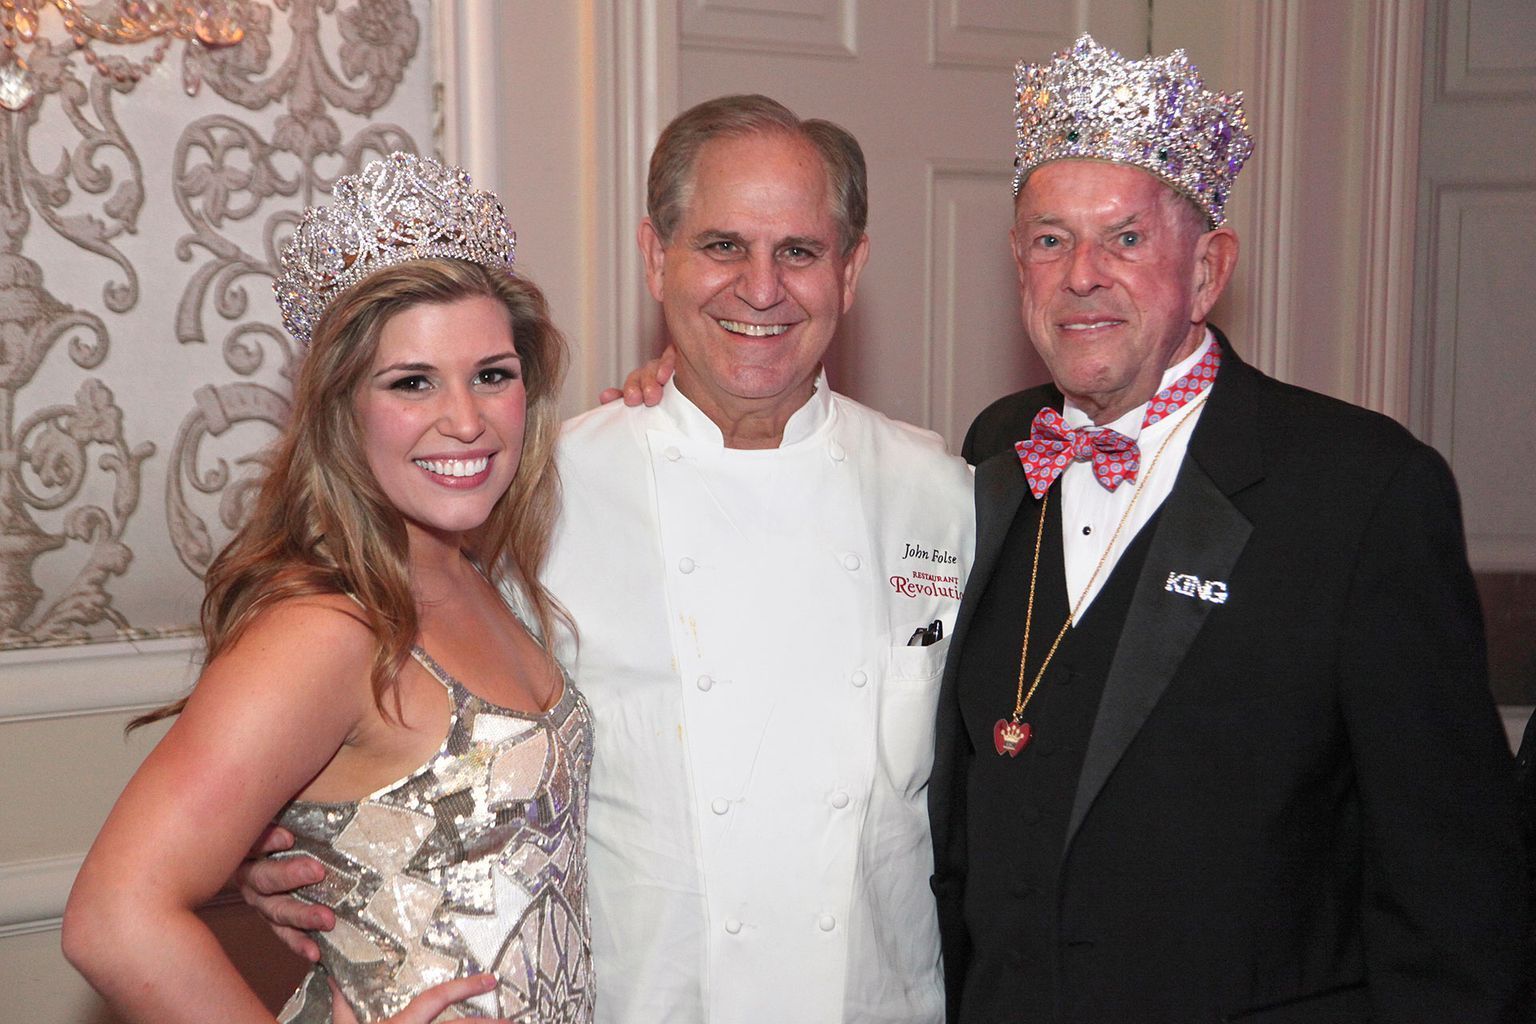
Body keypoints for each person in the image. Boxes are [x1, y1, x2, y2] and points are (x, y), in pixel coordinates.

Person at [244, 95, 974, 1024]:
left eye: (799, 251)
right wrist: (281, 839)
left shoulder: (943, 495)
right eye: (722, 246)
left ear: (851, 270)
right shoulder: (530, 495)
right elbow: (374, 711)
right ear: (655, 258)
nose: (762, 289)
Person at [927, 35, 1530, 1023]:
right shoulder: (997, 450)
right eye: (1049, 239)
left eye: (1126, 238)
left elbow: (1454, 889)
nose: (1081, 274)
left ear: (1208, 270)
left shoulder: (1364, 491)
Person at [62, 152, 591, 1024]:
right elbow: (114, 920)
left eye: (492, 375)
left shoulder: (475, 575)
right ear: (341, 408)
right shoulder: (326, 629)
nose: (466, 419)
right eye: (412, 382)